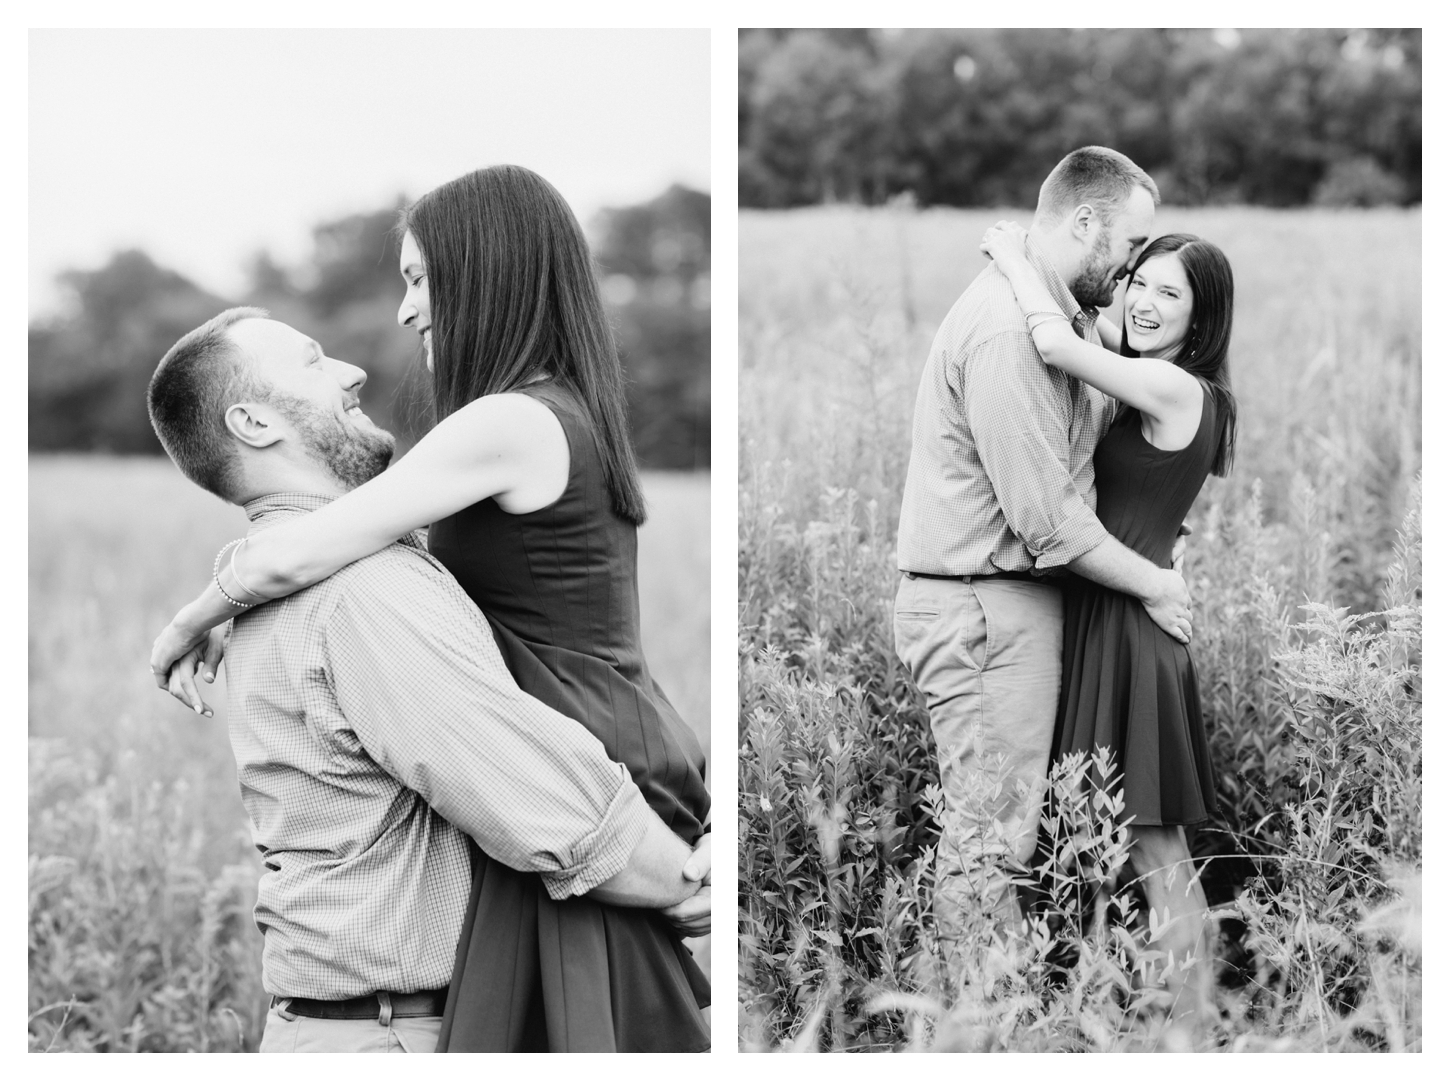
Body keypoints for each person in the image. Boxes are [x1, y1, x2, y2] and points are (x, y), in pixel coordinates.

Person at [149, 166, 710, 1051]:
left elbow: (312, 543)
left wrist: (194, 614)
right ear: (254, 424)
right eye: (310, 360)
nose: (403, 317)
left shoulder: (506, 422)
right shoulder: (371, 578)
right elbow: (336, 552)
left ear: (484, 273)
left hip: (588, 762)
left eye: (419, 278)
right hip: (580, 771)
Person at [893, 147, 1193, 968]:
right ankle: (966, 1027)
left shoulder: (1052, 317)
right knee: (990, 838)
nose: (1134, 274)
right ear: (1085, 222)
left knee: (1007, 833)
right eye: (1130, 250)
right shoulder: (1006, 334)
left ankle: (994, 1012)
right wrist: (1155, 583)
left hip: (1009, 608)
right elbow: (1048, 522)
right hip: (983, 604)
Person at [981, 221, 1236, 1037]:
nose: (1147, 301)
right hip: (1115, 616)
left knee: (1157, 851)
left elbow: (1055, 345)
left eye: (1172, 292)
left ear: (1201, 322)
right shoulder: (1147, 382)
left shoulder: (1179, 390)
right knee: (1107, 845)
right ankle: (1120, 1014)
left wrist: (1017, 260)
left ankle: (1195, 1035)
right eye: (1141, 280)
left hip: (1131, 630)